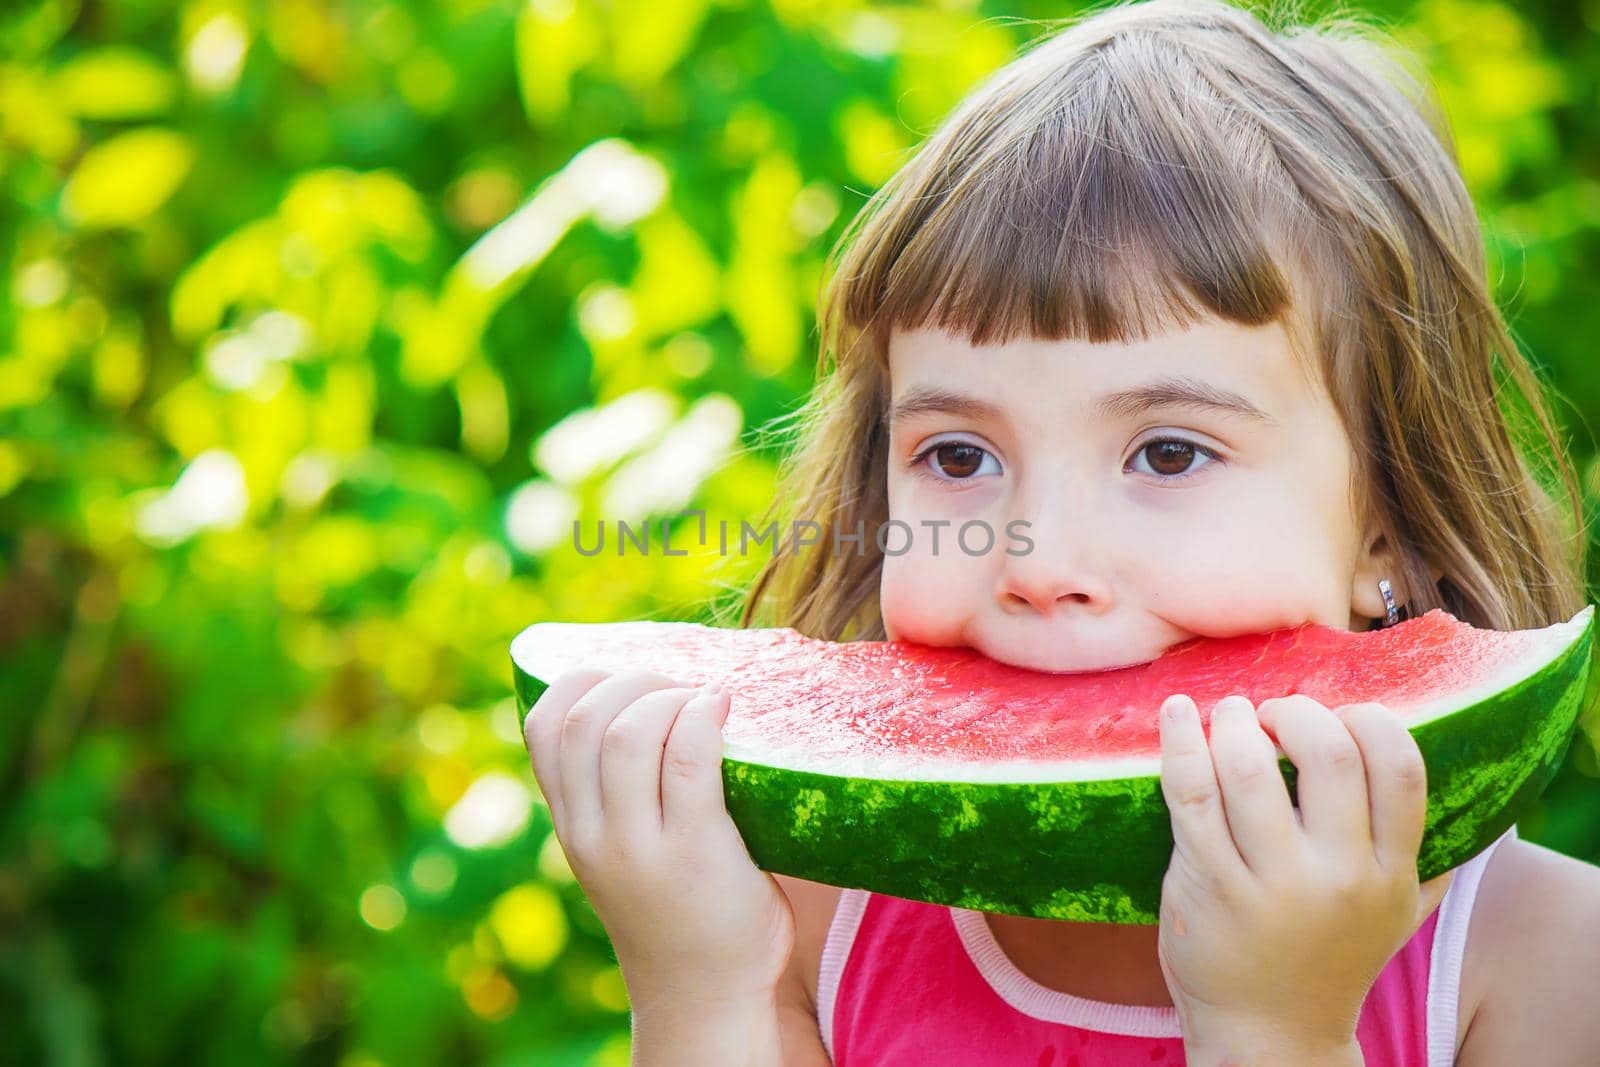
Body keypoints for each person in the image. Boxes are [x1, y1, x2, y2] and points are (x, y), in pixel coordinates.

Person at [522, 0, 1600, 1063]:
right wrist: (703, 988)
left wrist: (1278, 1029)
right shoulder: (799, 921)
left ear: (1387, 529)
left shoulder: (1540, 959)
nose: (1036, 562)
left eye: (1167, 453)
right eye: (957, 456)